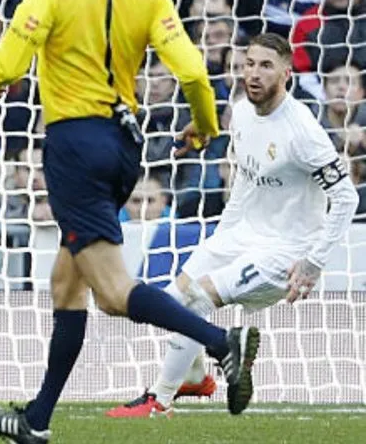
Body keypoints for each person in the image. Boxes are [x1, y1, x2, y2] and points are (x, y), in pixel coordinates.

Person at [0, 0, 259, 443]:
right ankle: (35, 421)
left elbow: (9, 66)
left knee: (110, 292)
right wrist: (205, 127)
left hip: (74, 147)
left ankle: (221, 344)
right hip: (125, 147)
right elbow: (195, 73)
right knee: (67, 283)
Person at [106, 34, 359, 417]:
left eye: (265, 66)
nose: (253, 74)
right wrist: (225, 234)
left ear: (287, 75)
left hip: (285, 251)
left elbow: (346, 197)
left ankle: (159, 398)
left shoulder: (303, 132)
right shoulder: (240, 111)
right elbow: (243, 177)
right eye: (249, 64)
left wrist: (314, 262)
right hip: (241, 234)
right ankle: (193, 377)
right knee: (172, 302)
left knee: (199, 299)